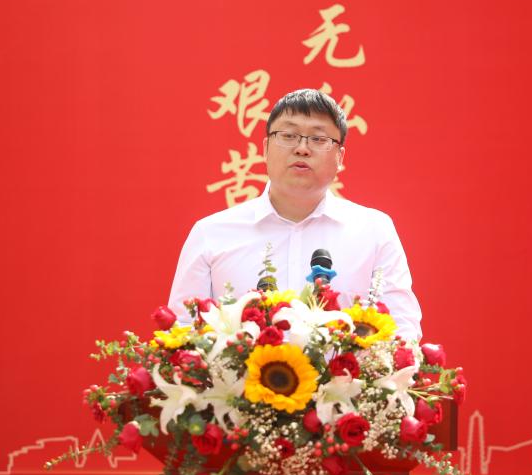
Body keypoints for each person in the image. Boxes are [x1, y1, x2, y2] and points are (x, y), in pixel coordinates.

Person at [168, 88, 421, 339]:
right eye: (288, 135)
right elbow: (182, 332)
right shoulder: (211, 233)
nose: (302, 148)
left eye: (318, 139)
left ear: (340, 156)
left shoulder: (374, 231)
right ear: (266, 148)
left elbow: (402, 330)